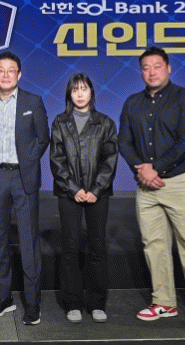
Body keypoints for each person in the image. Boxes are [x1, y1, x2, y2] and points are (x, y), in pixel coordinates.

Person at [118, 46, 185, 336]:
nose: (152, 72)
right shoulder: (132, 102)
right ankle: (164, 302)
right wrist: (142, 169)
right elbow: (124, 142)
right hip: (146, 186)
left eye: (157, 66)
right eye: (146, 67)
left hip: (181, 182)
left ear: (168, 68)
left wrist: (155, 168)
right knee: (154, 245)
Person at [0, 51, 50, 325]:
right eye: (0, 70)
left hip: (23, 177)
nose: (5, 74)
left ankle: (32, 303)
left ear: (19, 74)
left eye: (11, 70)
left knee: (28, 240)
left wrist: (27, 161)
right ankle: (4, 298)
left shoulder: (33, 101)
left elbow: (43, 138)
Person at [49, 72, 118, 324]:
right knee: (70, 247)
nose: (80, 94)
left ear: (91, 92)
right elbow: (57, 159)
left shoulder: (105, 123)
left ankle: (97, 303)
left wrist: (96, 189)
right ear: (69, 94)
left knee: (97, 246)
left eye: (84, 89)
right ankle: (73, 303)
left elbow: (110, 159)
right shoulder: (60, 122)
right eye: (75, 89)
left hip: (98, 194)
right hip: (69, 194)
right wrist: (73, 188)